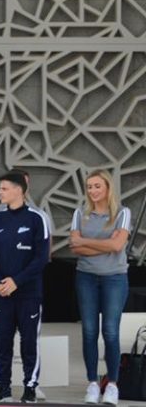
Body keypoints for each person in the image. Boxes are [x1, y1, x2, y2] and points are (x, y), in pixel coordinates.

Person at [0, 168, 52, 400]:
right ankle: (3, 387)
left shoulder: (37, 218)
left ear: (19, 190)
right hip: (1, 292)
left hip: (29, 292)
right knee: (2, 341)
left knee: (28, 341)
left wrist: (16, 281)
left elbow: (41, 257)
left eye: (4, 189)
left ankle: (30, 387)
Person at [70, 169, 131, 406]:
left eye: (97, 186)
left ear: (107, 187)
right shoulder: (80, 213)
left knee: (110, 331)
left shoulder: (122, 213)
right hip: (85, 277)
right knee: (88, 331)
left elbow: (117, 246)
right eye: (89, 187)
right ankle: (92, 383)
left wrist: (86, 241)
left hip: (114, 278)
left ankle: (112, 384)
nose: (93, 191)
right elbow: (74, 247)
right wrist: (105, 244)